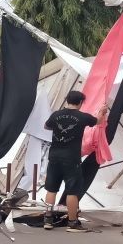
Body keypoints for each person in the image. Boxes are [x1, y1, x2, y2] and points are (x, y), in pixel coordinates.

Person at [43, 90, 107, 232]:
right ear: (80, 103)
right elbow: (98, 122)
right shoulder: (83, 117)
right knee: (72, 190)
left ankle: (47, 220)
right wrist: (102, 111)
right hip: (71, 159)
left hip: (54, 156)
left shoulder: (56, 115)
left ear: (67, 100)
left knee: (51, 189)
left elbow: (46, 126)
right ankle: (72, 223)